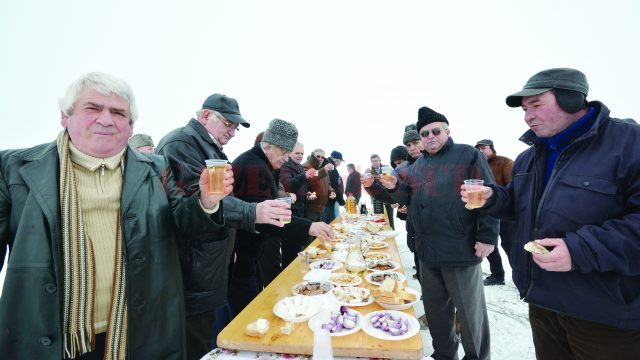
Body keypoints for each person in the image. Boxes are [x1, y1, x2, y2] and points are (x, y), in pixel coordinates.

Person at [0, 72, 233, 359]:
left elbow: (184, 223)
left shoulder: (154, 167)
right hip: (49, 339)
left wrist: (206, 201)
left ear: (131, 126)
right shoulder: (14, 168)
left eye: (118, 113)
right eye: (93, 108)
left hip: (135, 334)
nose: (106, 119)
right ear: (65, 116)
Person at [461, 67, 640, 359]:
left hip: (606, 314)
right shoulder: (529, 157)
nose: (527, 116)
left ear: (571, 99)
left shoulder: (629, 143)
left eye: (536, 105)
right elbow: (519, 203)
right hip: (542, 302)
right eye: (524, 109)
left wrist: (580, 249)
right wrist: (493, 198)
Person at [155, 94, 290, 359]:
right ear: (205, 116)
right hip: (193, 270)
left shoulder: (210, 148)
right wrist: (254, 211)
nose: (232, 132)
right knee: (197, 344)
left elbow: (218, 205)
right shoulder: (182, 144)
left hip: (211, 264)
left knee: (209, 336)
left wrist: (231, 245)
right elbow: (193, 203)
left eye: (235, 127)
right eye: (228, 123)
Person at [381, 106, 498, 360]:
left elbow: (488, 193)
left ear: (447, 131)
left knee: (470, 316)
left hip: (460, 249)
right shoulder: (418, 166)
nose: (430, 136)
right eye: (424, 133)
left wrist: (488, 236)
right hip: (427, 252)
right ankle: (444, 355)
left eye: (436, 131)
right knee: (436, 313)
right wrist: (392, 187)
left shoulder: (467, 155)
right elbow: (405, 197)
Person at [229, 119, 334, 317]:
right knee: (247, 312)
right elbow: (267, 219)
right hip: (241, 252)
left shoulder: (264, 163)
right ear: (269, 145)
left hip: (251, 248)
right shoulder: (255, 167)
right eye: (284, 153)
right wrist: (309, 227)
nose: (287, 159)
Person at [475, 139, 514, 286]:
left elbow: (514, 186)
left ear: (492, 148)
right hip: (488, 213)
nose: (481, 151)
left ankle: (521, 275)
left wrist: (497, 197)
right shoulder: (476, 165)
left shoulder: (505, 162)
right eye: (478, 148)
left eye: (483, 148)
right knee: (490, 245)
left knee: (510, 245)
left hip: (506, 216)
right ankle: (498, 275)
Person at [280, 142, 316, 266]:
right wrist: (304, 175)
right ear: (289, 153)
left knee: (298, 249)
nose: (300, 156)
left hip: (301, 210)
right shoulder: (285, 166)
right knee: (290, 251)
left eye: (302, 153)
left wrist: (307, 193)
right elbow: (288, 185)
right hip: (291, 213)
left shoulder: (299, 166)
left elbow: (300, 186)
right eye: (297, 153)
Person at [302, 149, 334, 226]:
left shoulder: (323, 168)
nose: (320, 159)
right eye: (318, 156)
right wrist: (324, 170)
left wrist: (331, 191)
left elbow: (328, 184)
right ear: (313, 156)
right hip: (310, 208)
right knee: (309, 236)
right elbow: (309, 180)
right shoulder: (306, 166)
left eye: (322, 157)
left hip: (321, 208)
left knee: (319, 235)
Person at [365, 154, 395, 229]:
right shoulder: (369, 171)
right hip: (376, 199)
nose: (375, 162)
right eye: (373, 161)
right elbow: (367, 185)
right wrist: (367, 175)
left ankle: (391, 235)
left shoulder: (386, 168)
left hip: (388, 198)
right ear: (371, 162)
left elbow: (388, 181)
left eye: (376, 160)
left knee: (389, 219)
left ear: (380, 161)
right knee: (378, 220)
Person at [323, 150, 345, 223]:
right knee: (329, 222)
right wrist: (342, 202)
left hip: (324, 198)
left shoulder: (324, 164)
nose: (340, 164)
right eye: (340, 161)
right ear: (337, 160)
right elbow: (335, 186)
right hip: (328, 199)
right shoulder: (332, 168)